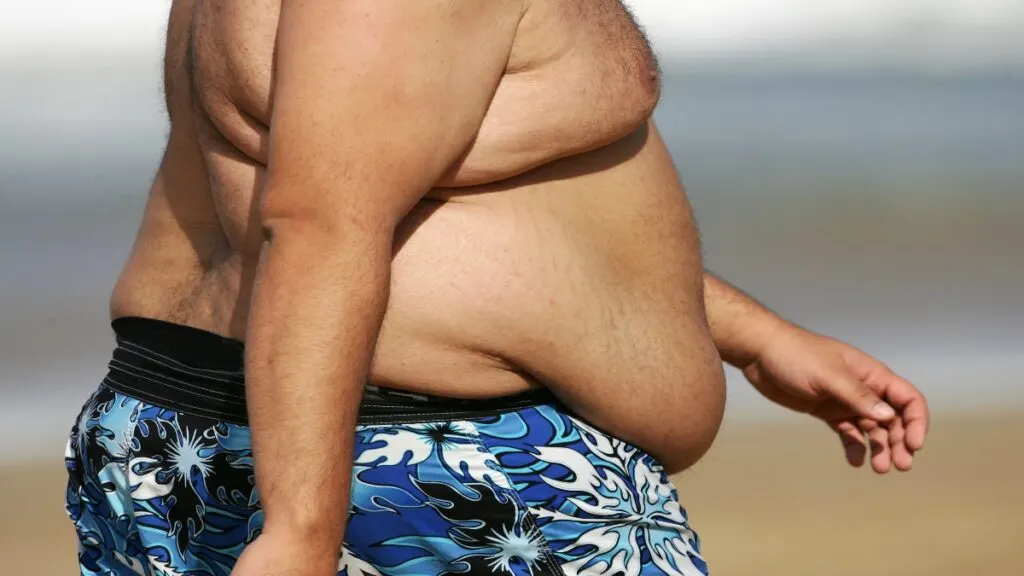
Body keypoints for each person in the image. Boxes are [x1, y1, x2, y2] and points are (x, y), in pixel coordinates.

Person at [63, 1, 929, 575]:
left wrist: (750, 335)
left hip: (193, 433)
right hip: (416, 468)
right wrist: (301, 532)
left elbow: (377, 186)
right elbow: (319, 223)